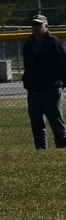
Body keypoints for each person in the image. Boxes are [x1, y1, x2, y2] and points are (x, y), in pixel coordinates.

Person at [20, 14, 65, 149]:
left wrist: (61, 82)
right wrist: (27, 81)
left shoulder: (54, 42)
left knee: (56, 123)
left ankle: (62, 148)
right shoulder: (28, 44)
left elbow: (64, 64)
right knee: (37, 124)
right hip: (34, 90)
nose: (36, 27)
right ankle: (41, 151)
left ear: (46, 26)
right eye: (34, 25)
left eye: (39, 24)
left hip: (51, 89)